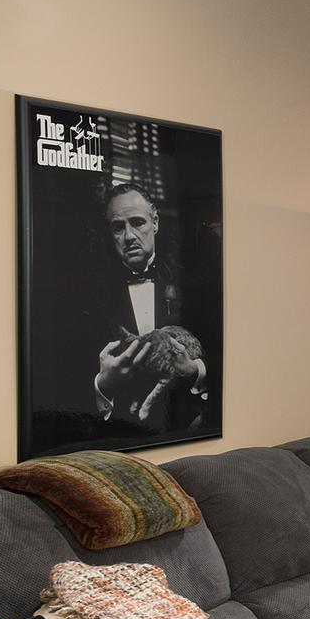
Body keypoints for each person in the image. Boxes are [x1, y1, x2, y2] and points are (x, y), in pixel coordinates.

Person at [88, 180, 213, 434]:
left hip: (191, 431)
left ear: (155, 222)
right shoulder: (90, 295)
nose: (129, 236)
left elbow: (223, 354)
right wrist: (104, 384)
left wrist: (194, 370)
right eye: (118, 227)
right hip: (123, 437)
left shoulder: (194, 281)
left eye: (137, 222)